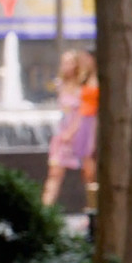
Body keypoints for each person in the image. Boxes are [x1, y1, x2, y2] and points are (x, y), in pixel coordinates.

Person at [42, 50, 97, 207]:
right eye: (64, 62)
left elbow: (83, 112)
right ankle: (45, 209)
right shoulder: (60, 84)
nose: (66, 66)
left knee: (88, 173)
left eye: (70, 62)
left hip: (80, 132)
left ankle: (93, 207)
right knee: (54, 172)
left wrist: (72, 132)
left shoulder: (85, 85)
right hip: (62, 132)